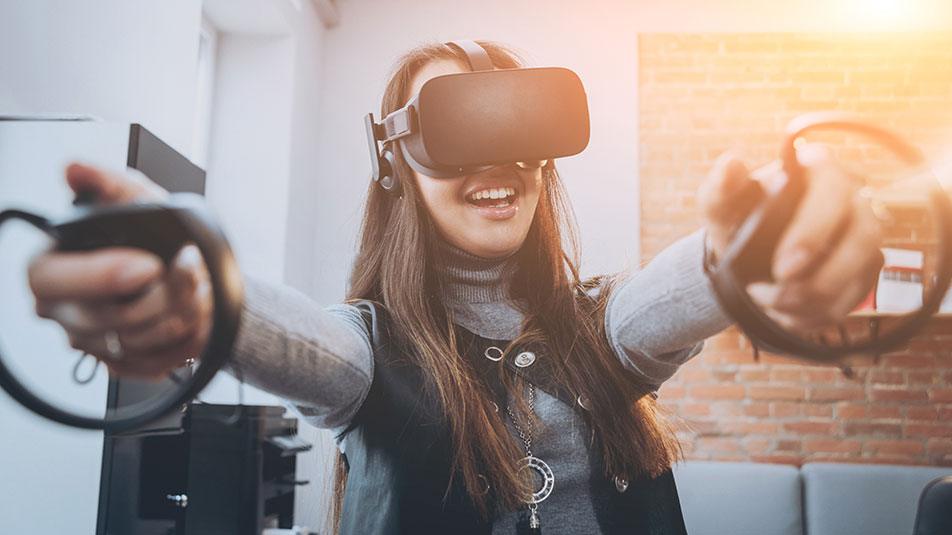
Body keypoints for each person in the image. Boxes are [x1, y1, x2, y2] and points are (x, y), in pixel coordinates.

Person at [27, 41, 883, 534]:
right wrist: (199, 295)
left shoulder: (603, 329)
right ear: (394, 162)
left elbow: (683, 286)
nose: (493, 160)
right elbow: (292, 339)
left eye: (514, 123)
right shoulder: (367, 350)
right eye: (454, 125)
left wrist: (759, 250)